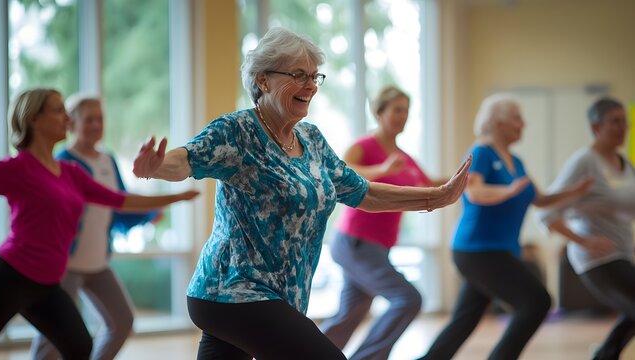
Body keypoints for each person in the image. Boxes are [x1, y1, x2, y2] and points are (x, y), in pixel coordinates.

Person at [132, 27, 471, 360]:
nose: (310, 86)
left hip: (279, 298)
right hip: (232, 290)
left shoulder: (312, 140)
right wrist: (156, 166)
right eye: (298, 75)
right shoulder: (238, 132)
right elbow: (186, 160)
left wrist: (434, 197)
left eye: (314, 76)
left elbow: (363, 193)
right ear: (263, 80)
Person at [0, 88, 199, 359]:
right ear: (34, 119)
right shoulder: (18, 169)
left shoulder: (70, 173)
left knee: (80, 348)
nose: (66, 118)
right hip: (13, 274)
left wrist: (178, 196)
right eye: (57, 110)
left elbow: (119, 200)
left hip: (47, 283)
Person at [417, 93, 594, 360]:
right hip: (477, 250)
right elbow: (473, 192)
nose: (523, 124)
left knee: (465, 319)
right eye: (517, 118)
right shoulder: (481, 152)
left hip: (497, 250)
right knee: (537, 301)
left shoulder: (517, 161)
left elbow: (541, 199)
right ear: (497, 123)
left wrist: (576, 191)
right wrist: (508, 191)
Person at [319, 86, 447, 360]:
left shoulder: (405, 158)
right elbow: (340, 172)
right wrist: (382, 170)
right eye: (397, 110)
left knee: (350, 313)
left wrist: (460, 179)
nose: (403, 116)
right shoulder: (364, 147)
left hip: (377, 248)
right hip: (355, 242)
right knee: (408, 298)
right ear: (380, 112)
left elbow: (428, 184)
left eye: (407, 111)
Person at [30, 94, 161, 360]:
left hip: (98, 263)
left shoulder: (107, 160)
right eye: (88, 119)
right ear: (71, 123)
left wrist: (148, 214)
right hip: (65, 265)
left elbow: (119, 206)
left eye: (100, 119)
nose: (96, 125)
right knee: (52, 338)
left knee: (121, 321)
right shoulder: (62, 161)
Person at [537, 97, 633, 360]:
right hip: (598, 259)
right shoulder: (584, 162)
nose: (623, 127)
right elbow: (546, 212)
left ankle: (604, 355)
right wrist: (582, 241)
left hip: (624, 253)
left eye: (625, 121)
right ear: (595, 127)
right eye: (615, 122)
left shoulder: (626, 165)